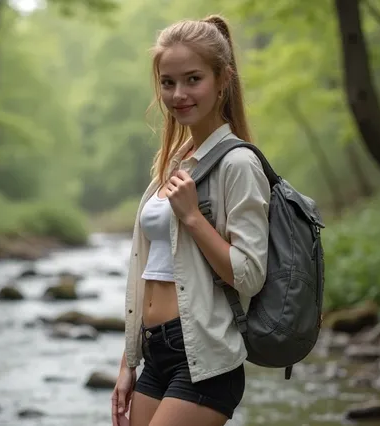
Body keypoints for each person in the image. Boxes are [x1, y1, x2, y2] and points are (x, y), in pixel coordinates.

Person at [110, 14, 271, 426]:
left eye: (193, 79)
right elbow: (149, 271)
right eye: (168, 82)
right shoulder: (176, 163)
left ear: (223, 81)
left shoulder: (238, 164)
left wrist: (193, 219)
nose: (178, 94)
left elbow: (249, 275)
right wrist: (129, 362)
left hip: (204, 359)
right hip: (156, 354)